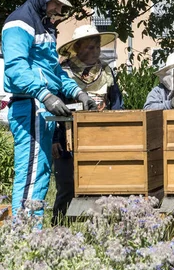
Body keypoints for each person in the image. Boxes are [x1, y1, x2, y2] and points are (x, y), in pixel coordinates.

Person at [2, 0, 97, 218]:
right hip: (30, 105)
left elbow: (53, 70)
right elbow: (15, 70)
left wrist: (78, 93)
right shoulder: (20, 23)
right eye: (58, 4)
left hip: (40, 107)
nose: (59, 11)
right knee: (31, 172)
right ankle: (23, 234)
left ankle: (34, 233)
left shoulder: (43, 25)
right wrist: (45, 95)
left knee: (40, 171)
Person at [51, 24, 123, 224]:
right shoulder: (63, 72)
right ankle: (59, 227)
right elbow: (55, 106)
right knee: (67, 185)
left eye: (97, 47)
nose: (94, 52)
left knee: (99, 183)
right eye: (89, 48)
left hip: (101, 138)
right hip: (68, 138)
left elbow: (117, 104)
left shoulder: (107, 71)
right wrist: (54, 140)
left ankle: (99, 226)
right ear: (77, 48)